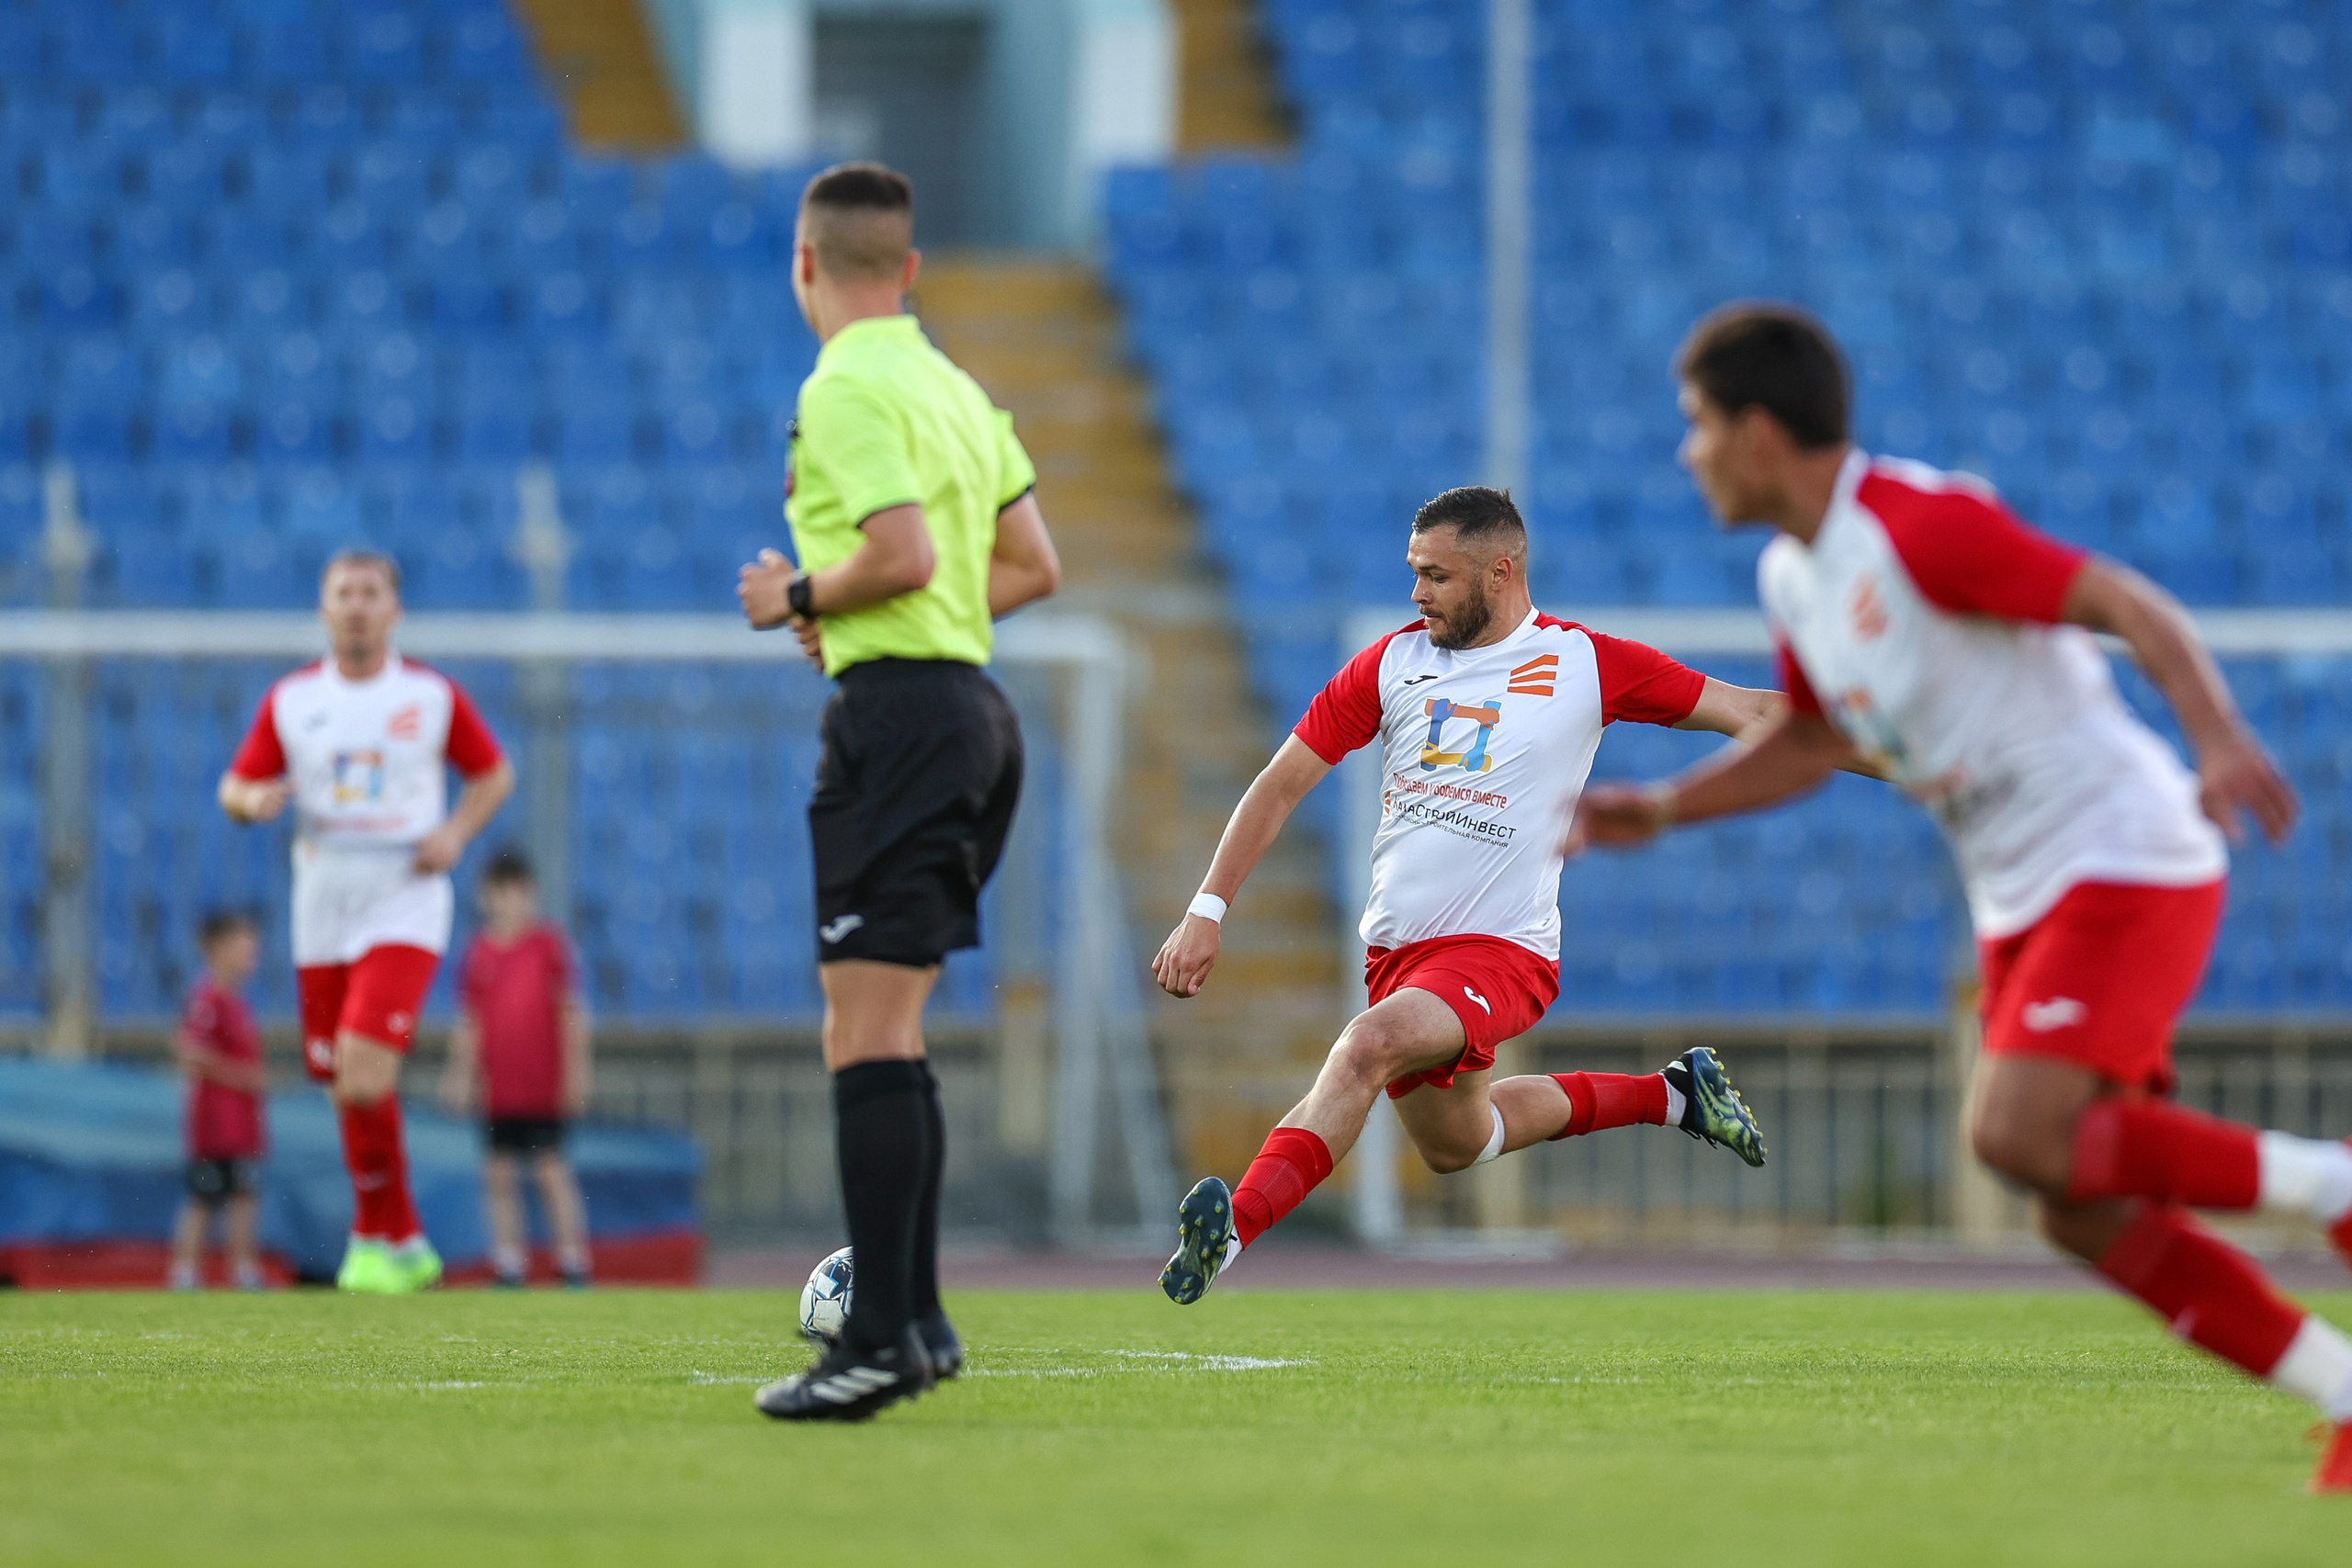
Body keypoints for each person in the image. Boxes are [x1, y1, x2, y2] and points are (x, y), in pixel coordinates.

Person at [1571, 301, 2352, 1494]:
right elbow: (1811, 739)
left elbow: (2127, 602)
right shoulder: (1795, 576)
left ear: (1761, 431)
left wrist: (2217, 736)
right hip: (2023, 896)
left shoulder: (1918, 527)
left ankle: (2334, 1184)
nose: (1687, 453)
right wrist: (1667, 806)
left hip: (2123, 852)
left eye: (1697, 424)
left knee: (2013, 1133)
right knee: (2075, 1204)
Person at [1151, 484, 1785, 1304]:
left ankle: (1231, 1229)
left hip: (1503, 951)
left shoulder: (1585, 663)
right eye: (1414, 573)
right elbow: (1277, 786)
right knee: (1459, 1143)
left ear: (1500, 571)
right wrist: (1209, 908)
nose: (1417, 593)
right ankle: (1674, 1095)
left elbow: (1751, 709)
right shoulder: (1391, 663)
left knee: (1365, 1046)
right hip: (1398, 956)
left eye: (1436, 576)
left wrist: (1899, 754)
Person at [737, 161, 1061, 1420]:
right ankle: (914, 1322)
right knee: (896, 1027)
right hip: (975, 714)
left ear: (805, 266)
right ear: (910, 270)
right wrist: (890, 614)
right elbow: (1030, 563)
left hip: (904, 723)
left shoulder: (844, 384)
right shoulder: (957, 385)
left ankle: (871, 1339)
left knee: (862, 1033)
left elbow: (904, 553)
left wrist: (799, 599)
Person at [219, 548, 514, 1294]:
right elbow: (235, 783)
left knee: (361, 1065)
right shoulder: (293, 700)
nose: (356, 604)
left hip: (404, 894)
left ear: (394, 609)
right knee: (341, 1081)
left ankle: (374, 1238)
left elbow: (494, 772)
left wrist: (454, 832)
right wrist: (252, 803)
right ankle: (399, 1235)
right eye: (343, 592)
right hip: (323, 899)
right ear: (323, 609)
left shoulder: (428, 694)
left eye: (370, 592)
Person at [441, 849, 594, 1288]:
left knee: (550, 1171)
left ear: (531, 895)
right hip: (499, 1088)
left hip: (542, 1084)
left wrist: (576, 1074)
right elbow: (469, 1023)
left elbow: (571, 1014)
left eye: (518, 893)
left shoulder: (549, 947)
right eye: (500, 893)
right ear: (487, 897)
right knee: (499, 1174)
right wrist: (460, 1076)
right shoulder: (478, 956)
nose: (510, 902)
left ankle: (573, 1260)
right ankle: (509, 1262)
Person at [169, 911, 269, 1292]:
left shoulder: (237, 1003)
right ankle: (184, 1272)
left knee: (245, 1196)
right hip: (214, 1124)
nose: (251, 956)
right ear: (217, 949)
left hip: (243, 1124)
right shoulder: (206, 999)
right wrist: (243, 1077)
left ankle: (243, 1270)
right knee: (203, 1198)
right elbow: (189, 1052)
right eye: (244, 948)